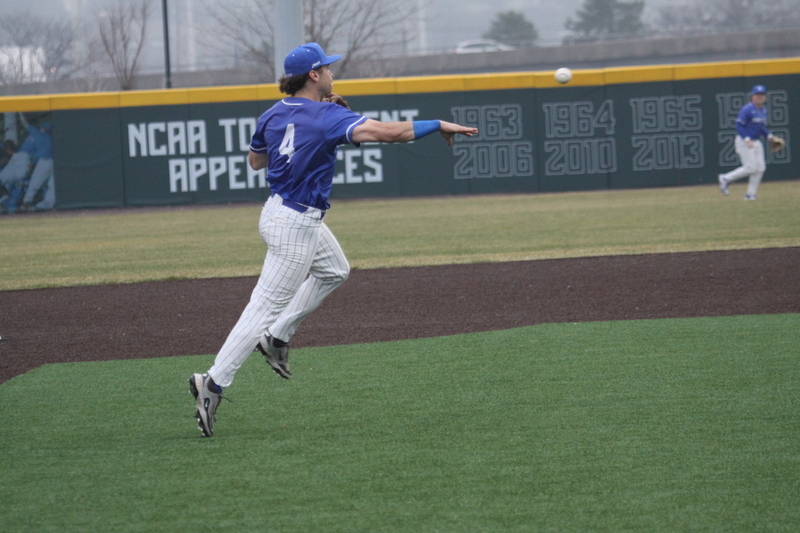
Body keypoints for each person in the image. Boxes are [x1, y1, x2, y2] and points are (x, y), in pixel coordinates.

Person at [188, 42, 478, 437]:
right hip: (295, 225)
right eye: (325, 68)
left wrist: (304, 142)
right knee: (261, 308)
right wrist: (437, 124)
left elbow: (257, 161)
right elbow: (389, 133)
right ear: (313, 75)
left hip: (278, 211)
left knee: (335, 270)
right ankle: (213, 382)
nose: (330, 73)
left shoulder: (272, 113)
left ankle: (277, 338)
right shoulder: (326, 114)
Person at [718, 84, 776, 201]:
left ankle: (750, 194)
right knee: (750, 167)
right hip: (744, 141)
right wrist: (747, 139)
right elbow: (739, 126)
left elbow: (761, 128)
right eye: (757, 95)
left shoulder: (763, 110)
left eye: (762, 95)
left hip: (756, 141)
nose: (760, 97)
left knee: (760, 168)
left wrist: (770, 137)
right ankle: (725, 178)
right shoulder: (747, 109)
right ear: (752, 96)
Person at [18, 113, 55, 211]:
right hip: (57, 163)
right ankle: (44, 205)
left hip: (46, 162)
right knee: (52, 186)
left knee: (35, 182)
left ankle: (27, 203)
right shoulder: (54, 135)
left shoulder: (39, 134)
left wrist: (20, 112)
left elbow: (25, 124)